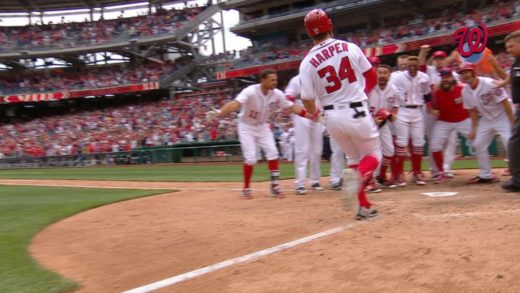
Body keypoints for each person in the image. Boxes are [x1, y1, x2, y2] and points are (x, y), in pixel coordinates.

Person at [299, 9, 381, 220]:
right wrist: (363, 94)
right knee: (374, 156)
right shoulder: (349, 47)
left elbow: (307, 100)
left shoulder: (306, 62)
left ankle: (364, 207)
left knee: (354, 159)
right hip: (356, 110)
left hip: (332, 117)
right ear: (330, 25)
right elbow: (371, 78)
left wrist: (316, 113)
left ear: (310, 33)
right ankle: (357, 181)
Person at [206, 69, 317, 198]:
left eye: (275, 80)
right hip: (246, 126)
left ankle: (275, 186)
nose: (275, 82)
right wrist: (220, 112)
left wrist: (309, 115)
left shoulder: (277, 94)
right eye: (272, 80)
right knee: (251, 158)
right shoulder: (250, 91)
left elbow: (292, 107)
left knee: (273, 153)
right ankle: (246, 188)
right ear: (263, 80)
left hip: (262, 126)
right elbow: (235, 104)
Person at [459, 63, 515, 184]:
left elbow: (505, 102)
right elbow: (472, 111)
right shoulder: (465, 91)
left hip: (503, 114)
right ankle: (486, 175)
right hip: (486, 118)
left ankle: (516, 174)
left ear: (474, 72)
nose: (465, 74)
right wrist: (474, 128)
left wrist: (512, 122)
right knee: (479, 144)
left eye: (467, 71)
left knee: (509, 141)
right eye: (462, 73)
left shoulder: (489, 83)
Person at [419, 46, 458, 178]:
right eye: (437, 59)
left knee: (451, 140)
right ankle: (435, 170)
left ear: (445, 60)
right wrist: (423, 52)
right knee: (433, 140)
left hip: (448, 112)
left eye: (441, 58)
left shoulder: (453, 74)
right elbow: (421, 64)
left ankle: (446, 168)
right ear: (433, 60)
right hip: (430, 111)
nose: (439, 61)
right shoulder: (428, 71)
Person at [391, 56, 431, 186]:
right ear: (406, 66)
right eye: (410, 65)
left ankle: (417, 171)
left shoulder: (424, 77)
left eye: (415, 64)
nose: (412, 67)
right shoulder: (397, 77)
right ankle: (400, 173)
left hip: (417, 110)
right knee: (401, 143)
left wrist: (429, 107)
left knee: (419, 142)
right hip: (402, 110)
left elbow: (427, 94)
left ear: (419, 64)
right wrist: (394, 110)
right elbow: (392, 93)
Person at [428, 68, 471, 183]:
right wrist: (432, 110)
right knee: (435, 145)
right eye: (443, 77)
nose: (445, 79)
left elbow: (473, 100)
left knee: (479, 142)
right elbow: (429, 103)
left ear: (452, 78)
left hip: (463, 120)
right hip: (444, 121)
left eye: (447, 77)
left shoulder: (463, 88)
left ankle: (485, 172)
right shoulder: (436, 92)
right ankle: (441, 173)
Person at [285, 74, 325, 194]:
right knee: (302, 150)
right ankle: (300, 183)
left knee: (317, 151)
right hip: (302, 116)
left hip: (317, 116)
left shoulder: (320, 79)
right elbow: (287, 98)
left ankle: (315, 181)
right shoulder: (297, 79)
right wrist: (296, 99)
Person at [369, 64, 400, 188]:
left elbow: (395, 107)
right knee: (370, 152)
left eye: (384, 73)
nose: (382, 75)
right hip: (368, 124)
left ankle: (381, 176)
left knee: (389, 151)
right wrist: (371, 119)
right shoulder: (369, 88)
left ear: (389, 75)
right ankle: (368, 180)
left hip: (383, 123)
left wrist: (393, 115)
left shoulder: (393, 89)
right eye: (379, 73)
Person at [501, 30, 520, 192]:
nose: (508, 49)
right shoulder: (516, 62)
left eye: (511, 46)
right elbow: (509, 79)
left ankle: (517, 180)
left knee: (514, 142)